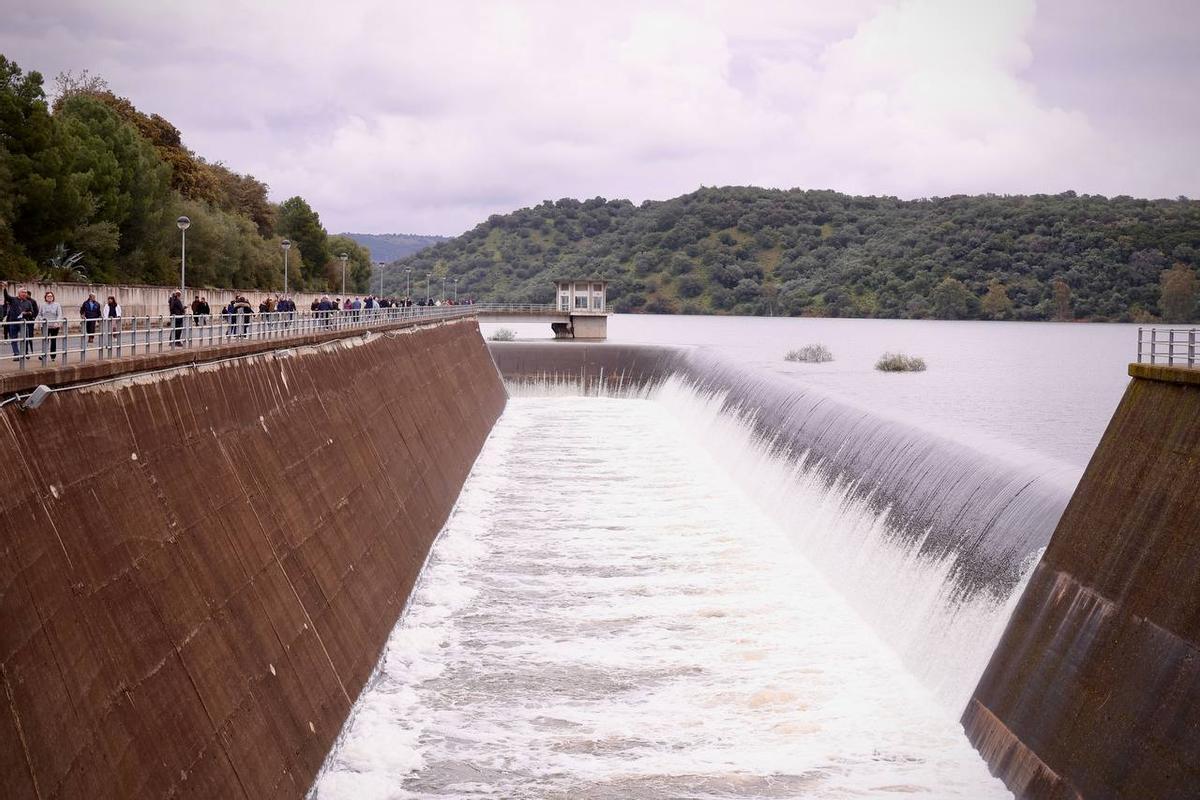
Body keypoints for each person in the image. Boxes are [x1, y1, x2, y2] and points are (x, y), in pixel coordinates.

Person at [2, 282, 36, 361]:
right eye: (23, 292)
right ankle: (16, 354)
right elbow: (6, 297)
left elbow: (32, 312)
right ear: (19, 293)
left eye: (25, 292)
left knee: (25, 337)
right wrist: (4, 288)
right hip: (13, 321)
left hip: (23, 322)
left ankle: (24, 352)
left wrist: (26, 313)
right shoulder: (13, 299)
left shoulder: (28, 302)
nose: (24, 294)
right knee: (13, 338)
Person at [38, 291, 64, 362]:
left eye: (51, 296)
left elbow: (59, 314)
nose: (50, 297)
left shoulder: (57, 305)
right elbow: (39, 314)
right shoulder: (42, 305)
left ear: (53, 297)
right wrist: (42, 320)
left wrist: (57, 322)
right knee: (45, 340)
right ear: (45, 297)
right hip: (45, 326)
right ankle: (43, 354)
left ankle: (53, 356)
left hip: (54, 326)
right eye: (48, 296)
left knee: (53, 340)